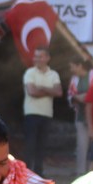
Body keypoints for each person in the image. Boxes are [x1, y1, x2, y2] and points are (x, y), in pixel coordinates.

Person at [21, 47, 61, 175]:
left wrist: (42, 88)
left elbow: (59, 92)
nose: (37, 59)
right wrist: (50, 91)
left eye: (40, 56)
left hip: (46, 113)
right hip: (31, 113)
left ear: (47, 58)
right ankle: (26, 172)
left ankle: (38, 172)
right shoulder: (29, 72)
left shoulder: (53, 74)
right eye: (35, 56)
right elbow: (32, 92)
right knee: (30, 144)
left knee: (42, 145)